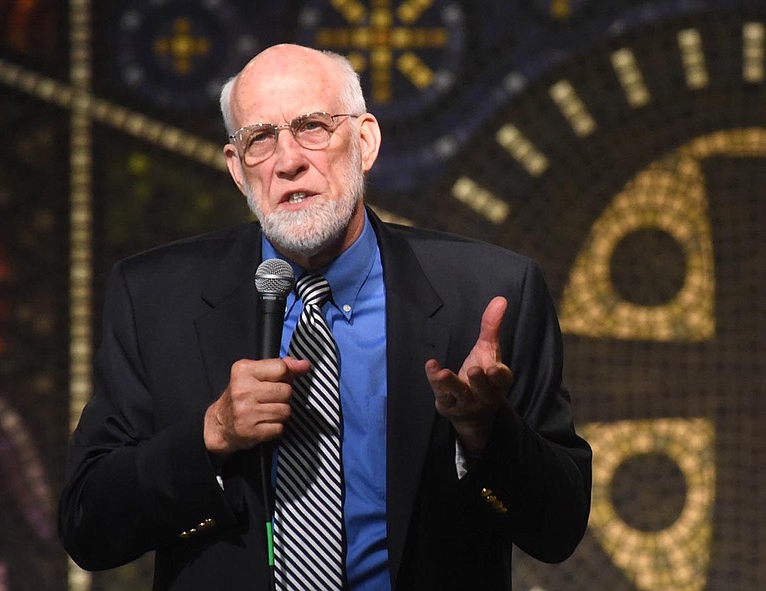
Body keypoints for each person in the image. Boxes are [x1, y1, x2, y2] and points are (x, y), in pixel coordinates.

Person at [58, 43, 592, 590]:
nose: (288, 160)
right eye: (260, 140)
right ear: (238, 169)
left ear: (364, 142)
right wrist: (212, 433)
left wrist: (485, 433)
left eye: (312, 127)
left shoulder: (488, 293)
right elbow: (87, 526)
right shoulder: (154, 298)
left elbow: (560, 528)